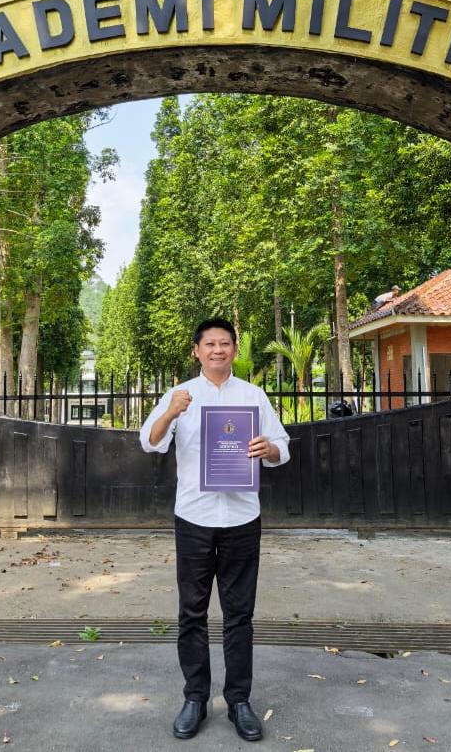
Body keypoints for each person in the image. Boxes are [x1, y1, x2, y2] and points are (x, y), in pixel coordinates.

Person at [140, 317, 291, 742]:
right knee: (192, 613)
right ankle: (195, 698)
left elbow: (283, 448)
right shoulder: (180, 395)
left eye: (225, 343)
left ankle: (239, 701)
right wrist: (170, 412)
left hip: (242, 519)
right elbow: (149, 441)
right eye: (210, 344)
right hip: (194, 518)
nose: (218, 350)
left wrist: (268, 448)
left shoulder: (253, 396)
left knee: (240, 615)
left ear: (234, 349)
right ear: (197, 350)